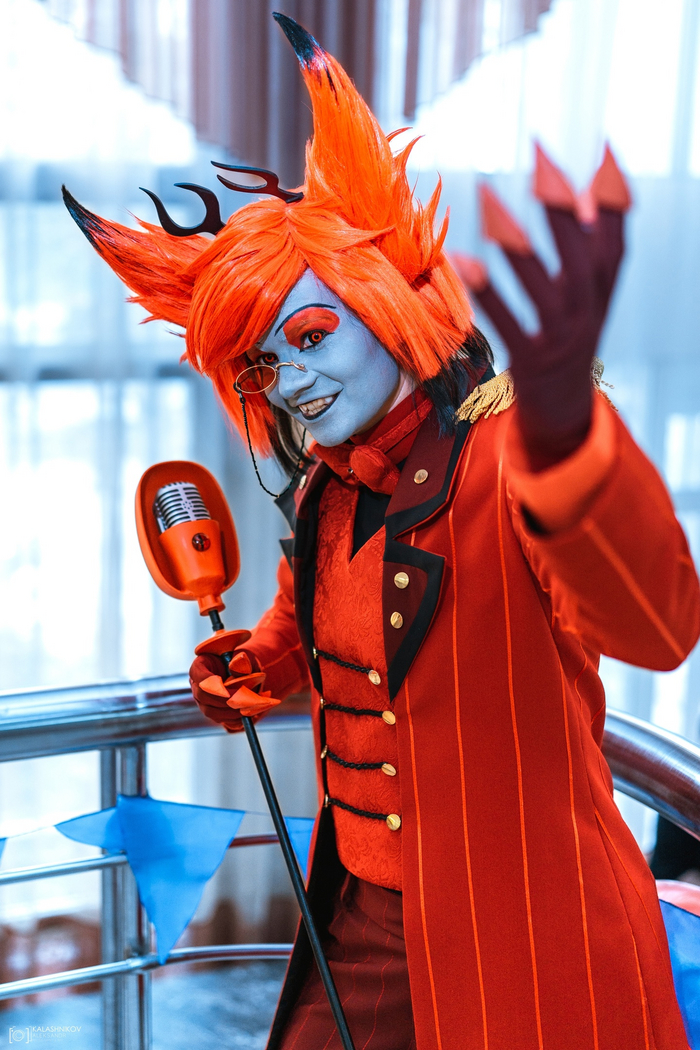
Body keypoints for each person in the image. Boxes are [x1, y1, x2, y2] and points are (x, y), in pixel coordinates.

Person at [64, 14, 700, 1050]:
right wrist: (260, 664)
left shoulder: (510, 453)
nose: (291, 381)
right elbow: (319, 626)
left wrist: (573, 440)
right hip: (359, 916)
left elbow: (655, 629)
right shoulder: (329, 484)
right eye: (263, 365)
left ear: (386, 307)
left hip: (525, 926)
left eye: (311, 336)